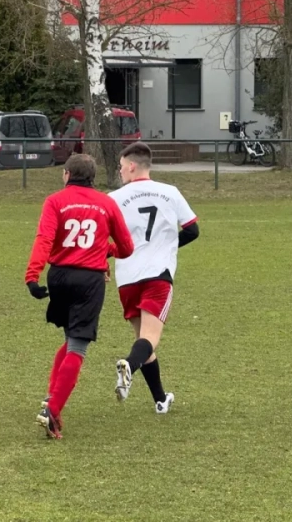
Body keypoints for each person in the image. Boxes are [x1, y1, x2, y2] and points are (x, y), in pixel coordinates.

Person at [25, 154, 134, 439]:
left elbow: (45, 239)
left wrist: (32, 276)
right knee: (78, 346)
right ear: (92, 177)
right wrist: (105, 250)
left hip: (59, 276)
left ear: (66, 174)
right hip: (89, 281)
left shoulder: (55, 201)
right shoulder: (106, 203)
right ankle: (52, 410)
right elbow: (126, 247)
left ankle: (51, 398)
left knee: (70, 339)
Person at [108, 143, 199, 415]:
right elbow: (192, 230)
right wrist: (166, 246)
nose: (120, 171)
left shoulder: (113, 198)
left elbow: (102, 238)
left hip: (127, 277)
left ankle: (160, 400)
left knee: (142, 339)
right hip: (157, 275)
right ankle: (128, 365)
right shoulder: (170, 192)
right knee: (149, 339)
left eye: (121, 166)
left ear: (132, 166)